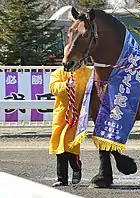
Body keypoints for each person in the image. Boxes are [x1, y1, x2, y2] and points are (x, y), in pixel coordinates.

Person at [49, 44, 92, 187]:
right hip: (62, 115)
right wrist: (65, 86)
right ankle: (62, 178)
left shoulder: (88, 73)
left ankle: (76, 168)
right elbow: (54, 88)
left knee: (72, 146)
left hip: (78, 115)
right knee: (60, 148)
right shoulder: (59, 73)